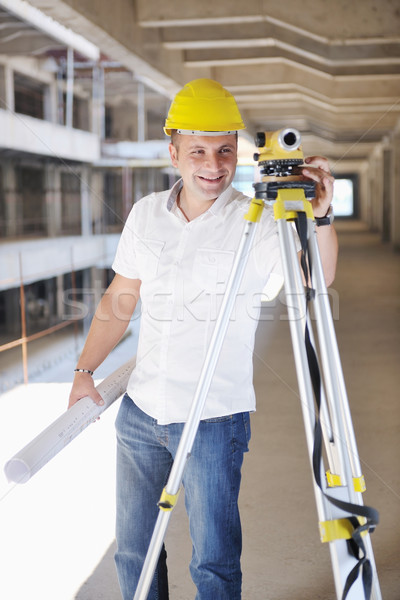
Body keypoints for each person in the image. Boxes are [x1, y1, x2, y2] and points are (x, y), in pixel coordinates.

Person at [68, 78, 338, 600]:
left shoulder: (256, 220)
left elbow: (315, 279)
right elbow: (118, 301)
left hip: (215, 420)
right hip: (142, 416)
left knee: (213, 562)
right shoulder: (146, 214)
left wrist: (321, 218)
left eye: (224, 151)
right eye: (197, 151)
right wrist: (84, 372)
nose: (212, 165)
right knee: (134, 551)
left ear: (237, 153)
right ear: (174, 153)